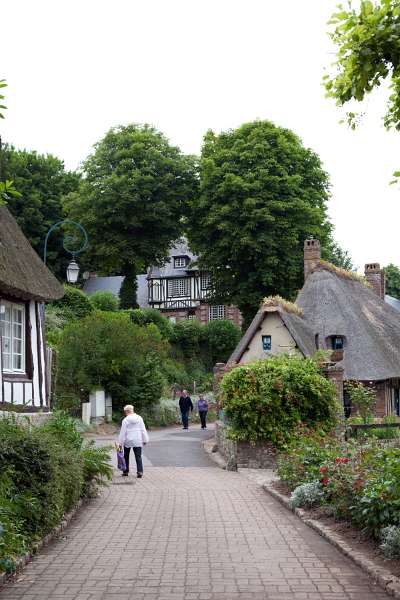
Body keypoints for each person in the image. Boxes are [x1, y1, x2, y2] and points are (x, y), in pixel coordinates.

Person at [118, 404, 149, 478]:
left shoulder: (125, 420)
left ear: (126, 411)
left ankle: (125, 471)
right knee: (138, 457)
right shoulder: (139, 418)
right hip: (137, 440)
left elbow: (123, 433)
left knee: (125, 456)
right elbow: (143, 430)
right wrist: (145, 439)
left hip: (128, 440)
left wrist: (120, 443)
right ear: (132, 410)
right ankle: (140, 472)